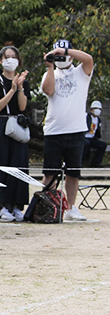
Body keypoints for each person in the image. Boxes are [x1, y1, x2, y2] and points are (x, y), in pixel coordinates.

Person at [40, 39, 95, 221]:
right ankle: (48, 206)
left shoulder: (81, 72)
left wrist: (66, 51)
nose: (61, 58)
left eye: (63, 54)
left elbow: (88, 59)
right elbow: (48, 91)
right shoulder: (51, 73)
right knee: (50, 173)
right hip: (54, 130)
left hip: (76, 129)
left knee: (73, 173)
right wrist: (50, 66)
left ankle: (71, 207)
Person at [0, 46, 30, 221]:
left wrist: (19, 87)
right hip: (1, 124)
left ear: (19, 61)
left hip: (18, 125)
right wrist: (11, 89)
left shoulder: (23, 82)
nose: (10, 60)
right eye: (7, 57)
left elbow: (22, 107)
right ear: (1, 60)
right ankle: (0, 206)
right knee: (0, 163)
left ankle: (16, 205)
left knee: (19, 164)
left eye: (13, 57)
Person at [84, 100, 105, 168]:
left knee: (102, 145)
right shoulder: (86, 116)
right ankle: (82, 162)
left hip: (92, 138)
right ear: (91, 109)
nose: (98, 110)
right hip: (84, 137)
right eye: (96, 108)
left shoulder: (98, 119)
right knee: (86, 144)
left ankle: (95, 163)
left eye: (99, 109)